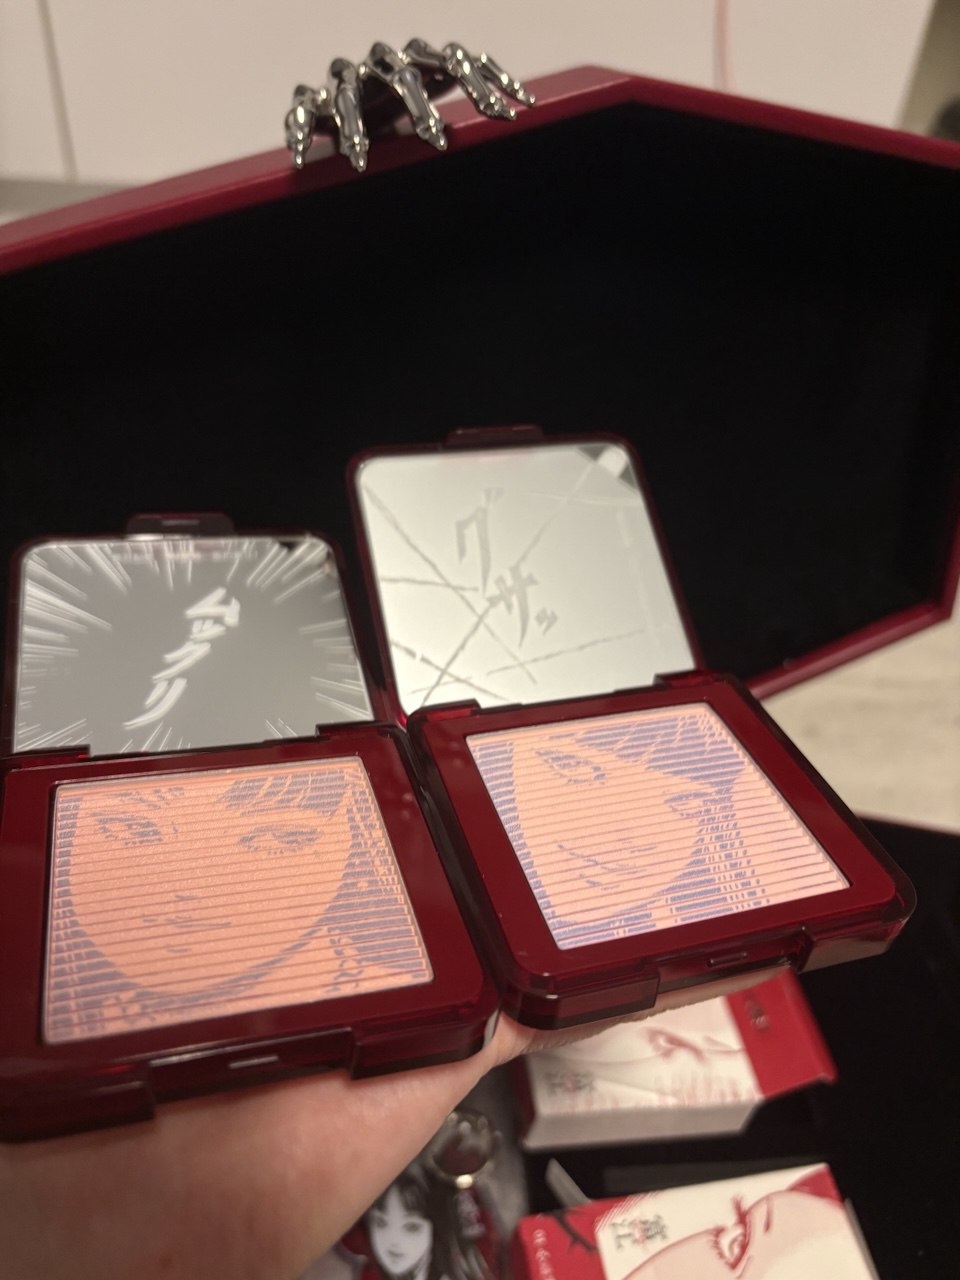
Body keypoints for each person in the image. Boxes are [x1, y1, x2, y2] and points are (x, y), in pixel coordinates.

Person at [46, 758, 430, 1042]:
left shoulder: (404, 1002)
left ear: (358, 846)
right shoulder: (82, 1014)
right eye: (130, 828)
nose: (187, 885)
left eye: (279, 838)